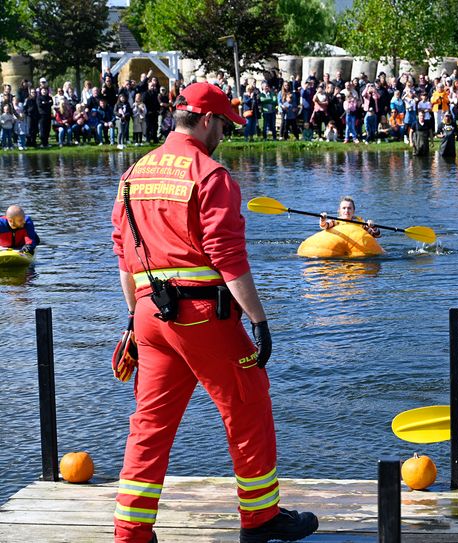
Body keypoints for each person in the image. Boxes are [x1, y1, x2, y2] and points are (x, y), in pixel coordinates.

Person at [110, 82, 318, 543]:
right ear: (207, 120)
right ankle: (260, 519)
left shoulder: (133, 174)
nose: (224, 134)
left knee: (149, 425)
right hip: (203, 316)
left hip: (148, 315)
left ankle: (131, 532)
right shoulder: (210, 174)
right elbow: (227, 257)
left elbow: (124, 256)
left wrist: (132, 321)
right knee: (248, 405)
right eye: (224, 124)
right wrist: (259, 320)